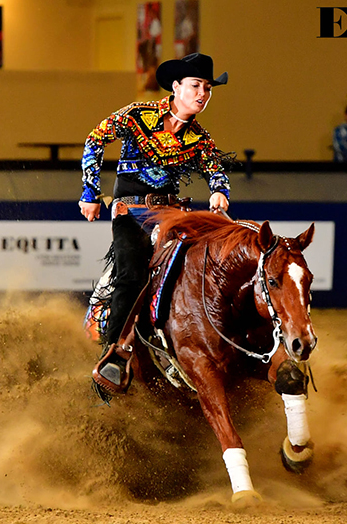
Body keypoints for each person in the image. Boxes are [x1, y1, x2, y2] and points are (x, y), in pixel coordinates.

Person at [79, 52, 232, 394]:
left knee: (195, 272)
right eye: (195, 85)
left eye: (207, 88)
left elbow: (215, 170)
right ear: (176, 87)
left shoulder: (200, 139)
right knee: (133, 274)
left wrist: (220, 191)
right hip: (130, 215)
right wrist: (91, 192)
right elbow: (95, 139)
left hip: (172, 216)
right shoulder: (137, 116)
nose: (202, 94)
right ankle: (113, 356)